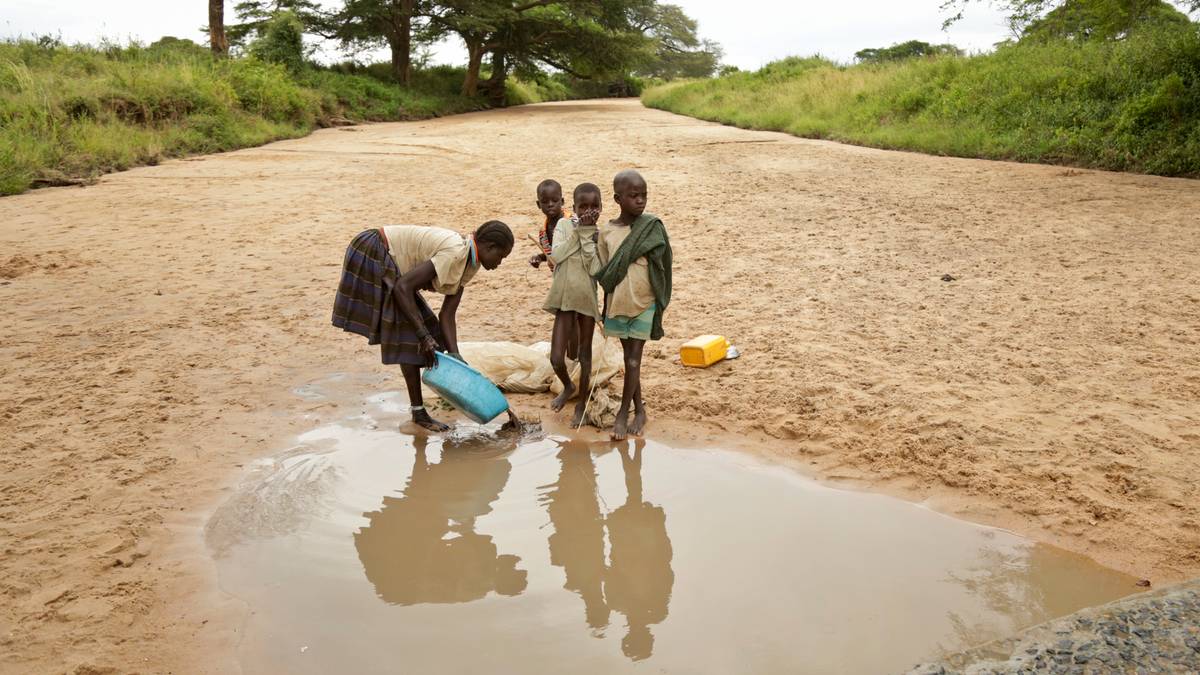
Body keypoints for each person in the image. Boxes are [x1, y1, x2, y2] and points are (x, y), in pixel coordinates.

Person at [332, 221, 514, 432]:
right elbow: (403, 287)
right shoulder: (456, 252)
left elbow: (447, 314)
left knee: (430, 333)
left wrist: (456, 358)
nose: (500, 263)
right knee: (413, 336)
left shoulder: (470, 262)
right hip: (374, 250)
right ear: (489, 247)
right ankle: (418, 413)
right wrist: (423, 336)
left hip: (394, 267)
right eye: (501, 257)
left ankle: (418, 410)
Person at [594, 170, 672, 440]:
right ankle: (640, 410)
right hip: (619, 302)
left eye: (644, 195)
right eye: (633, 196)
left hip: (644, 302)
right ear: (618, 198)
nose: (640, 201)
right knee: (631, 362)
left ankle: (622, 413)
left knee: (634, 359)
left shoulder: (652, 227)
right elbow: (605, 270)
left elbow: (663, 266)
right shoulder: (606, 232)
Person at [544, 183, 603, 426]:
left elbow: (595, 268)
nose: (589, 211)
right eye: (583, 206)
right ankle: (568, 386)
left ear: (601, 207)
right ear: (574, 208)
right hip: (564, 297)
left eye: (594, 206)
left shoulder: (602, 234)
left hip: (586, 298)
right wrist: (580, 232)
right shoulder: (564, 225)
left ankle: (582, 404)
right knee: (556, 358)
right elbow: (556, 255)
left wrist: (589, 234)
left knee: (585, 353)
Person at [528, 179, 566, 271]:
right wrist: (539, 258)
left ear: (562, 201)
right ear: (538, 204)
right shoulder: (543, 233)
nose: (550, 204)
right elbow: (551, 254)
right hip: (560, 278)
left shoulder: (573, 222)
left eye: (555, 200)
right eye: (545, 201)